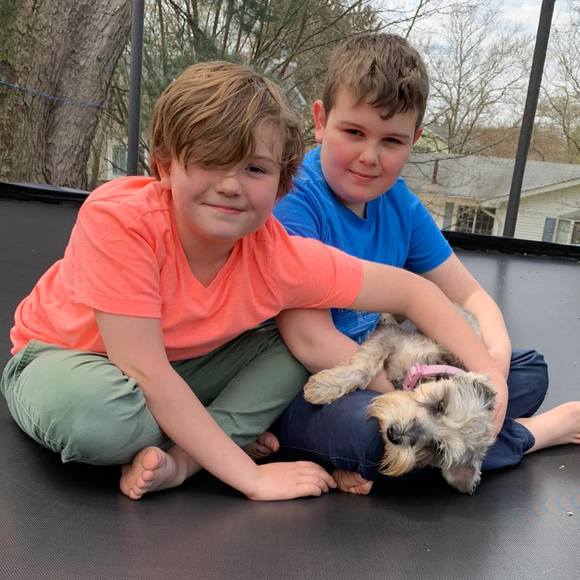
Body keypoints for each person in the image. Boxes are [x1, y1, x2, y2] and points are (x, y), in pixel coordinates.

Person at [0, 61, 508, 502]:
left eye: (254, 169)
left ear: (281, 184)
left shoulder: (276, 254)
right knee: (98, 423)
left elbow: (414, 292)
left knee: (294, 350)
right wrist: (250, 477)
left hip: (187, 369)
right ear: (165, 166)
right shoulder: (121, 221)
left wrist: (490, 379)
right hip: (69, 360)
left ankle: (188, 459)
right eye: (209, 160)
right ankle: (220, 440)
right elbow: (145, 369)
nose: (230, 185)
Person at [273, 33, 580, 495]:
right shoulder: (295, 198)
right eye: (353, 133)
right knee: (372, 438)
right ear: (320, 121)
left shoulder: (399, 204)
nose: (369, 157)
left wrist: (493, 368)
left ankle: (449, 435)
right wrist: (411, 403)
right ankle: (530, 435)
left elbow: (471, 296)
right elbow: (308, 338)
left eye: (391, 141)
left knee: (528, 371)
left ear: (414, 140)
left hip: (399, 372)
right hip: (311, 379)